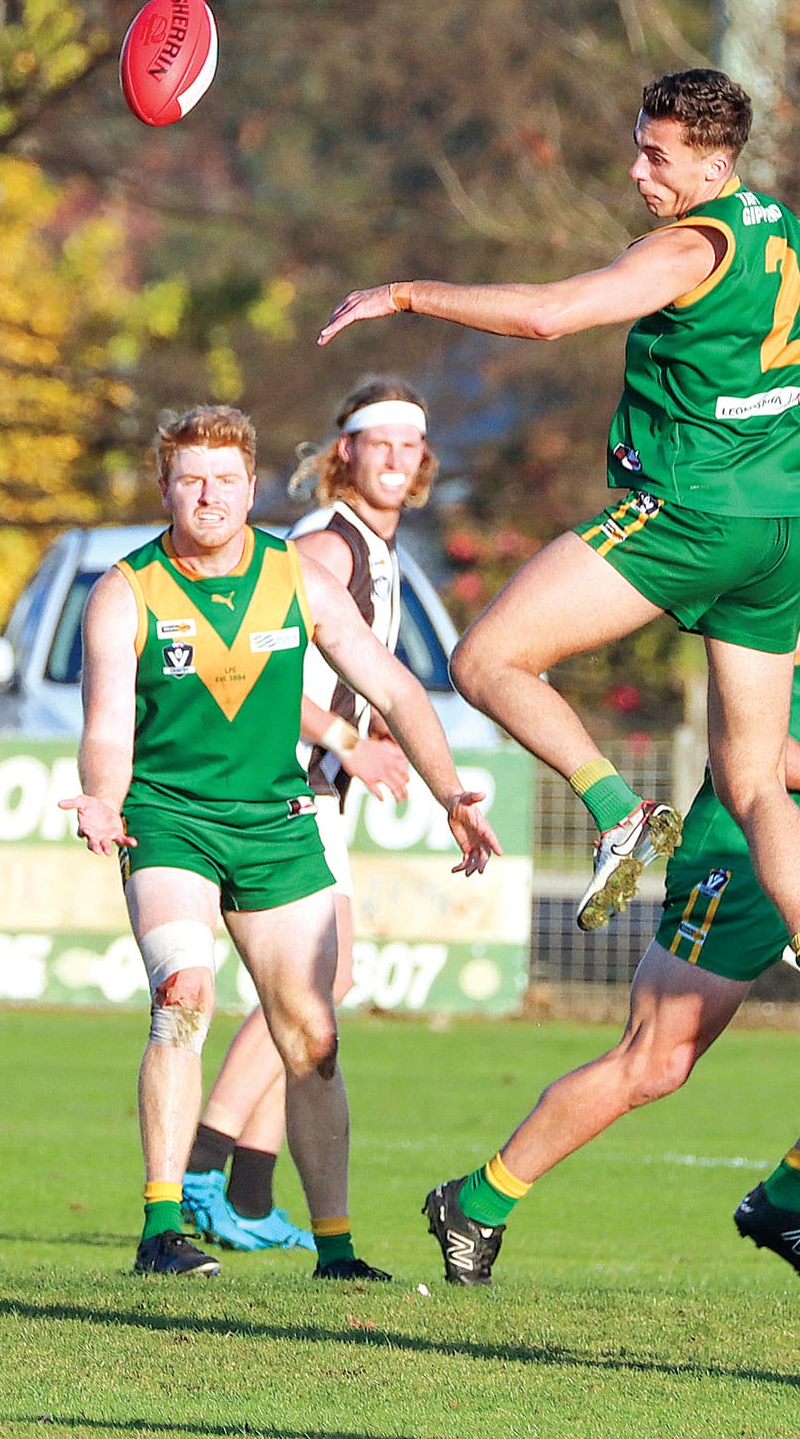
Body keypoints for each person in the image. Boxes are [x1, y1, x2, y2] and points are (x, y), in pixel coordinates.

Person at [319, 68, 800, 1095]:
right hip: (778, 530)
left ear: (711, 163)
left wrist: (403, 293)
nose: (636, 171)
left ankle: (620, 813)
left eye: (655, 154)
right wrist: (775, 488)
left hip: (689, 513)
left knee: (485, 659)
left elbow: (549, 314)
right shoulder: (797, 242)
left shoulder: (691, 243)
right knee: (757, 782)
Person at [422, 441, 800, 1290]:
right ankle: (478, 1201)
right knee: (655, 1063)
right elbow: (746, 755)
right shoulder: (780, 597)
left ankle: (787, 1199)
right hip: (739, 845)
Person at [59, 404, 499, 1280]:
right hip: (171, 820)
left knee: (314, 1037)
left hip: (277, 824)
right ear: (165, 488)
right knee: (183, 991)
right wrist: (103, 799)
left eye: (225, 480)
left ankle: (335, 1249)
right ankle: (161, 1228)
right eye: (191, 480)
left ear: (252, 487)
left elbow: (401, 692)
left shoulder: (295, 577)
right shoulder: (125, 589)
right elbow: (107, 724)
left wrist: (451, 792)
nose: (209, 497)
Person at [182, 379, 431, 1253]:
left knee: (324, 987)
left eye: (410, 444)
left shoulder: (373, 544)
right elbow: (254, 665)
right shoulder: (326, 545)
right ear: (344, 453)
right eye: (380, 443)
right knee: (313, 990)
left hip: (318, 788)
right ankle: (203, 1169)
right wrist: (344, 738)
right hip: (284, 783)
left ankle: (245, 1192)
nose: (396, 459)